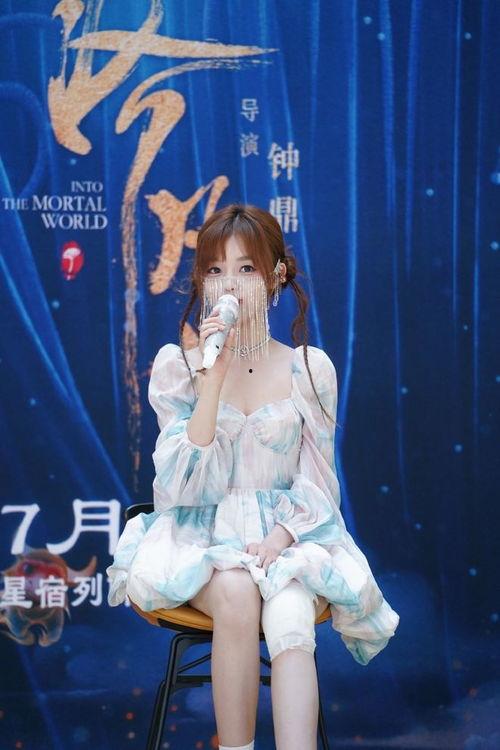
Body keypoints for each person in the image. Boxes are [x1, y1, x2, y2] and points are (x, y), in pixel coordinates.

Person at [107, 204, 400, 750]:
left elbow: (319, 481)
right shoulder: (179, 367)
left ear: (275, 276)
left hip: (287, 537)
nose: (229, 284)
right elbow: (180, 488)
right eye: (215, 270)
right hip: (198, 535)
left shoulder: (309, 368)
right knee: (239, 591)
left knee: (288, 610)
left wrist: (280, 538)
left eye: (245, 268)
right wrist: (211, 378)